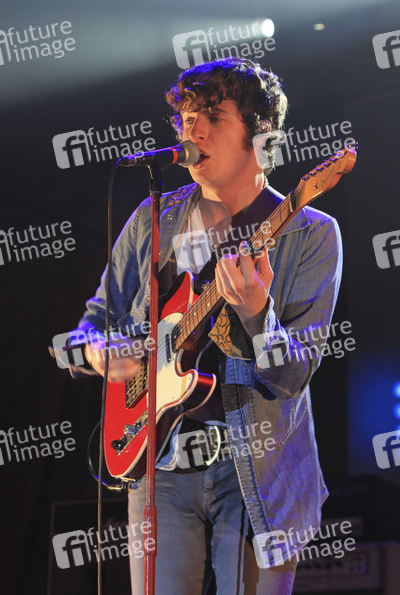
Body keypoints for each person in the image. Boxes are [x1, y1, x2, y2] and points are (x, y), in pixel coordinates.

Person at [68, 57, 343, 594]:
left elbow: (293, 375)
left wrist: (258, 315)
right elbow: (87, 330)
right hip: (161, 467)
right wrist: (99, 351)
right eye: (186, 118)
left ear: (261, 135)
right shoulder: (153, 219)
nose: (193, 131)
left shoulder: (310, 232)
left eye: (213, 117)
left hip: (259, 472)